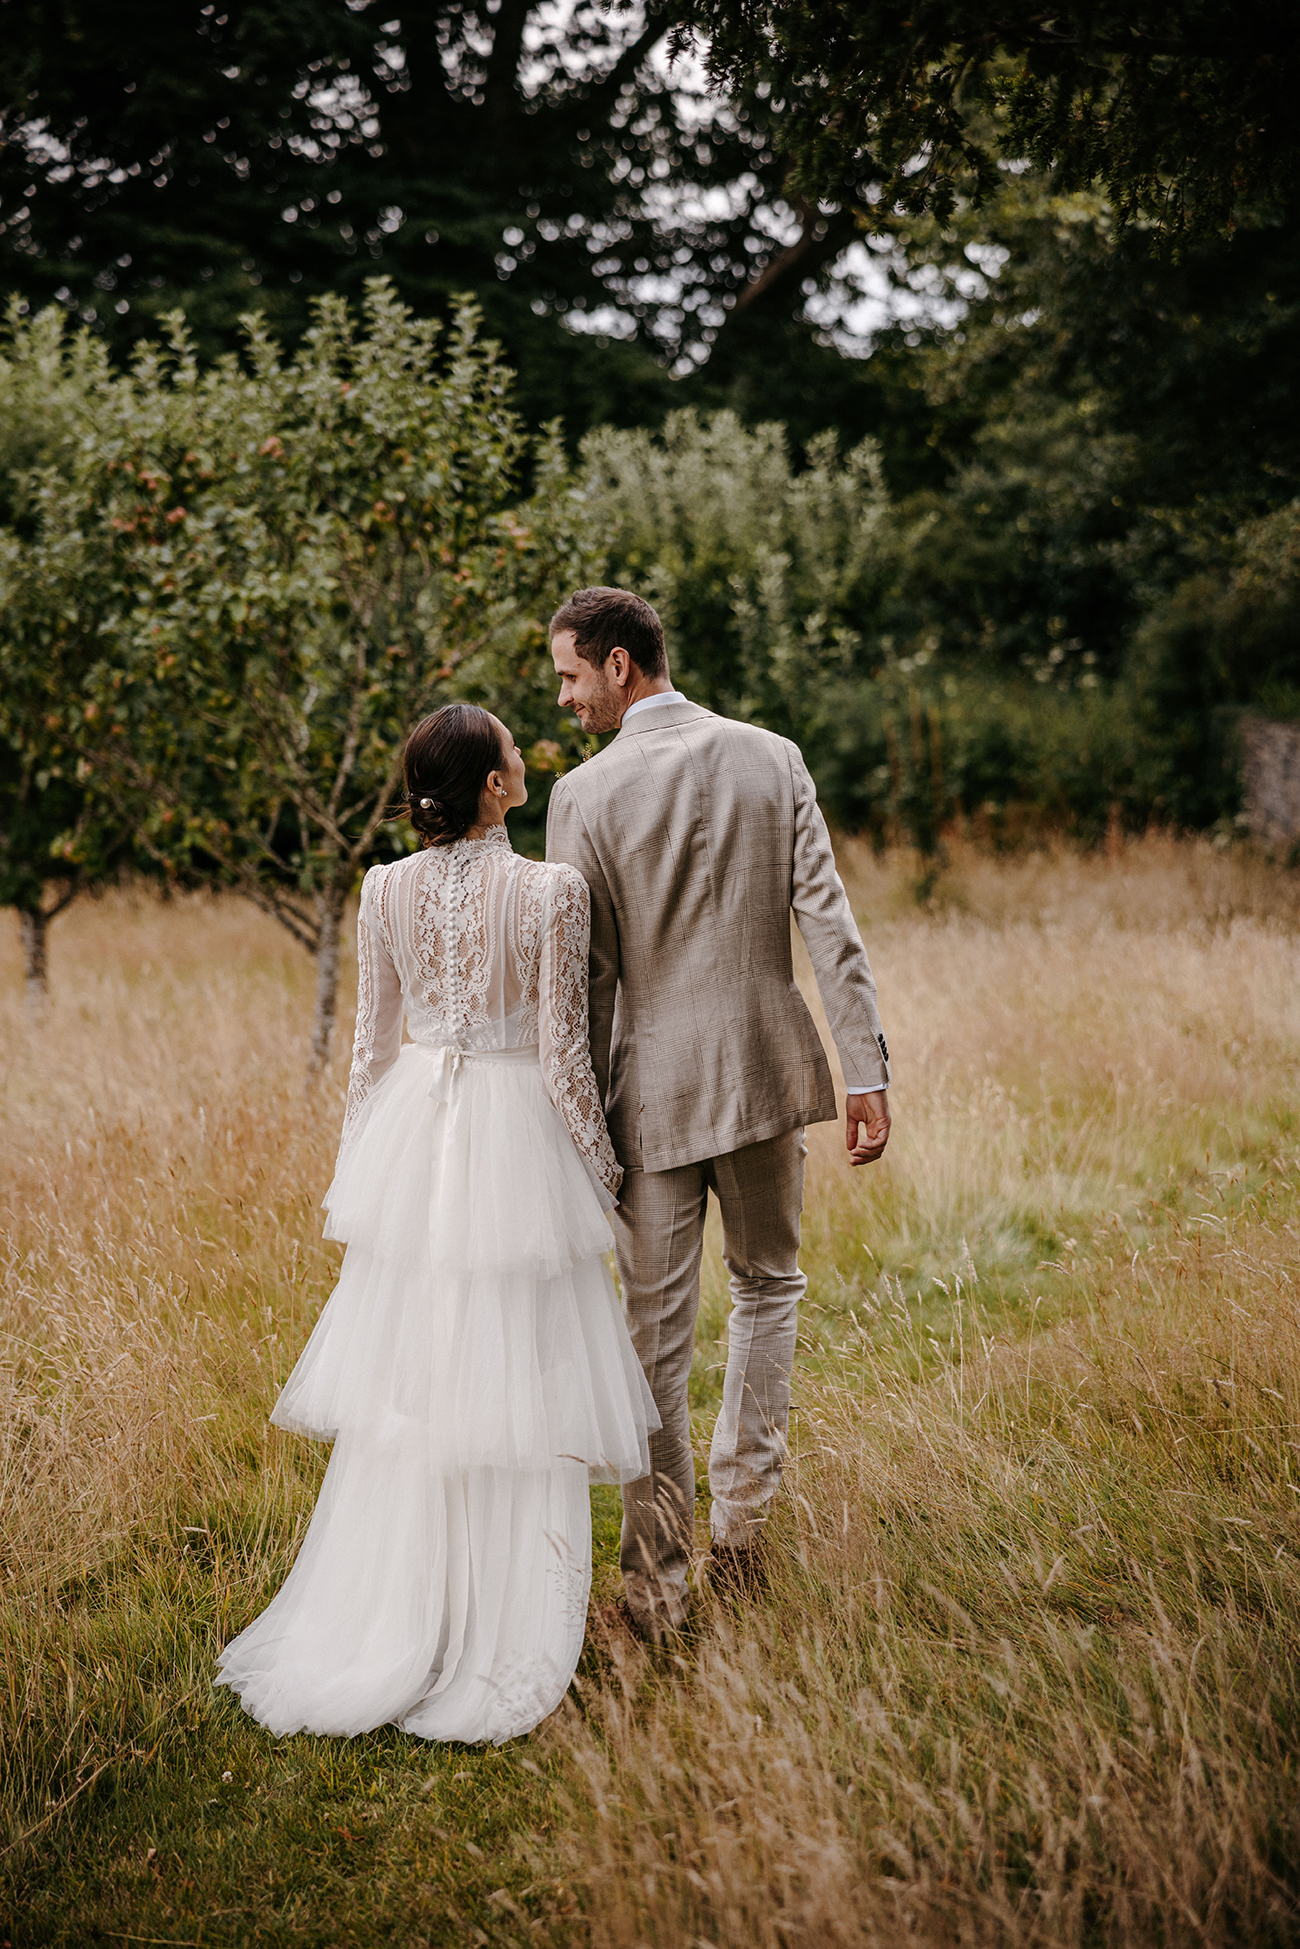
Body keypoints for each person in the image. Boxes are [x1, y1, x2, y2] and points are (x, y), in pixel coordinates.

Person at [217, 703, 658, 1744]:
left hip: (415, 1139)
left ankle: (400, 1611)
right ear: (495, 786)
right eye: (512, 750)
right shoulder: (551, 890)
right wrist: (607, 1176)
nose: (524, 755)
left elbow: (370, 1052)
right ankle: (499, 1622)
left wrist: (360, 1176)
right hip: (516, 1141)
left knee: (414, 1382)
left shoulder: (382, 888)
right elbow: (563, 1059)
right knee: (521, 1370)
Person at [545, 587, 891, 1640]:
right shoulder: (773, 757)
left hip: (648, 1101)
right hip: (765, 1074)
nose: (563, 699)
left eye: (569, 675)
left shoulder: (581, 796)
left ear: (618, 664)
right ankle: (743, 1531)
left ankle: (655, 1591)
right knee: (768, 1289)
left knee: (651, 1343)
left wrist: (580, 1130)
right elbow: (830, 924)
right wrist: (864, 1069)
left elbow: (587, 982)